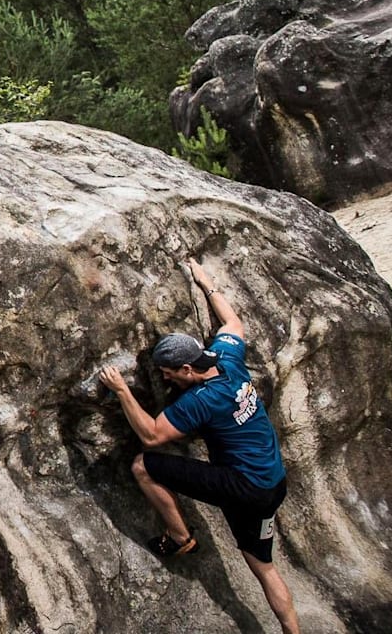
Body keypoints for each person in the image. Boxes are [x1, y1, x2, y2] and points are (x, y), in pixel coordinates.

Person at [99, 257, 301, 634]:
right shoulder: (227, 358)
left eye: (169, 373)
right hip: (272, 483)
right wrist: (205, 283)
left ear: (188, 370)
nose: (165, 378)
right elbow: (233, 323)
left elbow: (151, 435)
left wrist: (123, 391)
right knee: (264, 567)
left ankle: (180, 537)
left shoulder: (201, 401)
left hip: (243, 487)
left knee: (144, 465)